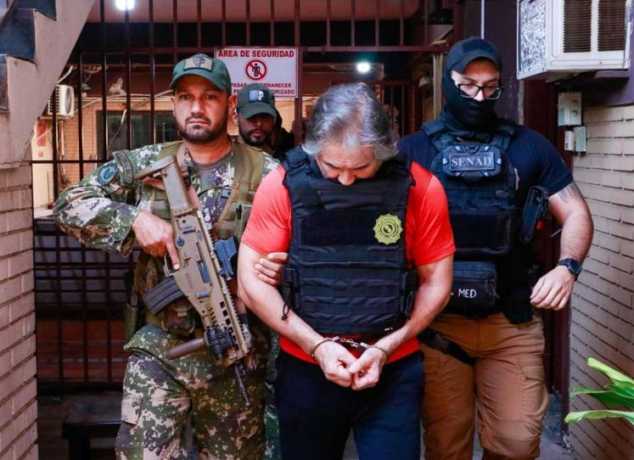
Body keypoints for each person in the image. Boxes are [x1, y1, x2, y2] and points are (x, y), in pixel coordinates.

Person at [53, 53, 280, 459]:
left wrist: (278, 267)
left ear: (230, 105)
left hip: (238, 350)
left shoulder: (267, 172)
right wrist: (133, 220)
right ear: (173, 104)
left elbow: (301, 244)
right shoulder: (146, 162)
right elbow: (70, 204)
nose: (197, 107)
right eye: (186, 97)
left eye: (209, 96)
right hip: (160, 345)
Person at [398, 38, 594, 460]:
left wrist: (567, 267)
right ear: (447, 83)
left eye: (490, 88)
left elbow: (576, 212)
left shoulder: (530, 146)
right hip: (437, 324)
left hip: (512, 321)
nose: (479, 97)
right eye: (468, 86)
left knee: (517, 444)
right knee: (446, 447)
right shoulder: (412, 151)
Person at [237, 82, 455, 460]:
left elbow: (437, 281)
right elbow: (249, 280)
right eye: (332, 166)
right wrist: (317, 346)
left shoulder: (420, 187)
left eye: (361, 167)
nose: (345, 180)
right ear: (314, 149)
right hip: (306, 368)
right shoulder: (282, 184)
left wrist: (386, 347)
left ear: (383, 151)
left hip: (393, 369)